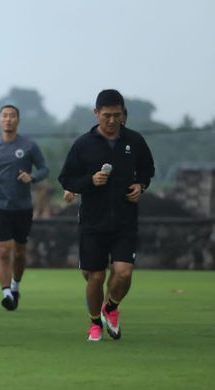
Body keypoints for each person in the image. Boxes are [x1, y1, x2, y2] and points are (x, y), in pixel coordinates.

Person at [58, 89, 154, 342]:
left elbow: (147, 169)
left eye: (117, 115)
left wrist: (140, 186)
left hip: (125, 220)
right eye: (106, 115)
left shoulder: (134, 141)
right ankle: (94, 323)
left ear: (123, 115)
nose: (112, 121)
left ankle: (110, 308)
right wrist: (90, 180)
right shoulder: (83, 144)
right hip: (93, 221)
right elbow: (66, 179)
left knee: (123, 272)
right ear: (96, 113)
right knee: (96, 276)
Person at [0, 105, 49, 311]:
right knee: (3, 250)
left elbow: (44, 169)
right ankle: (6, 294)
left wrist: (32, 177)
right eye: (5, 116)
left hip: (22, 207)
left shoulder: (29, 145)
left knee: (19, 253)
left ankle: (15, 286)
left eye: (12, 116)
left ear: (17, 120)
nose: (8, 119)